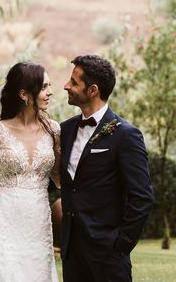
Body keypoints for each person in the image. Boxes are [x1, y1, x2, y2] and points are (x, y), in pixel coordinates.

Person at [60, 55, 153, 282]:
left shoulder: (126, 135)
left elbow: (142, 197)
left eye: (74, 82)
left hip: (108, 255)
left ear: (92, 90)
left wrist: (120, 245)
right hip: (72, 253)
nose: (66, 86)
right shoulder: (65, 130)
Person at [0, 62, 60, 282]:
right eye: (44, 87)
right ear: (24, 94)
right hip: (3, 217)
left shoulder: (54, 130)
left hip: (38, 218)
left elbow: (58, 180)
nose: (51, 92)